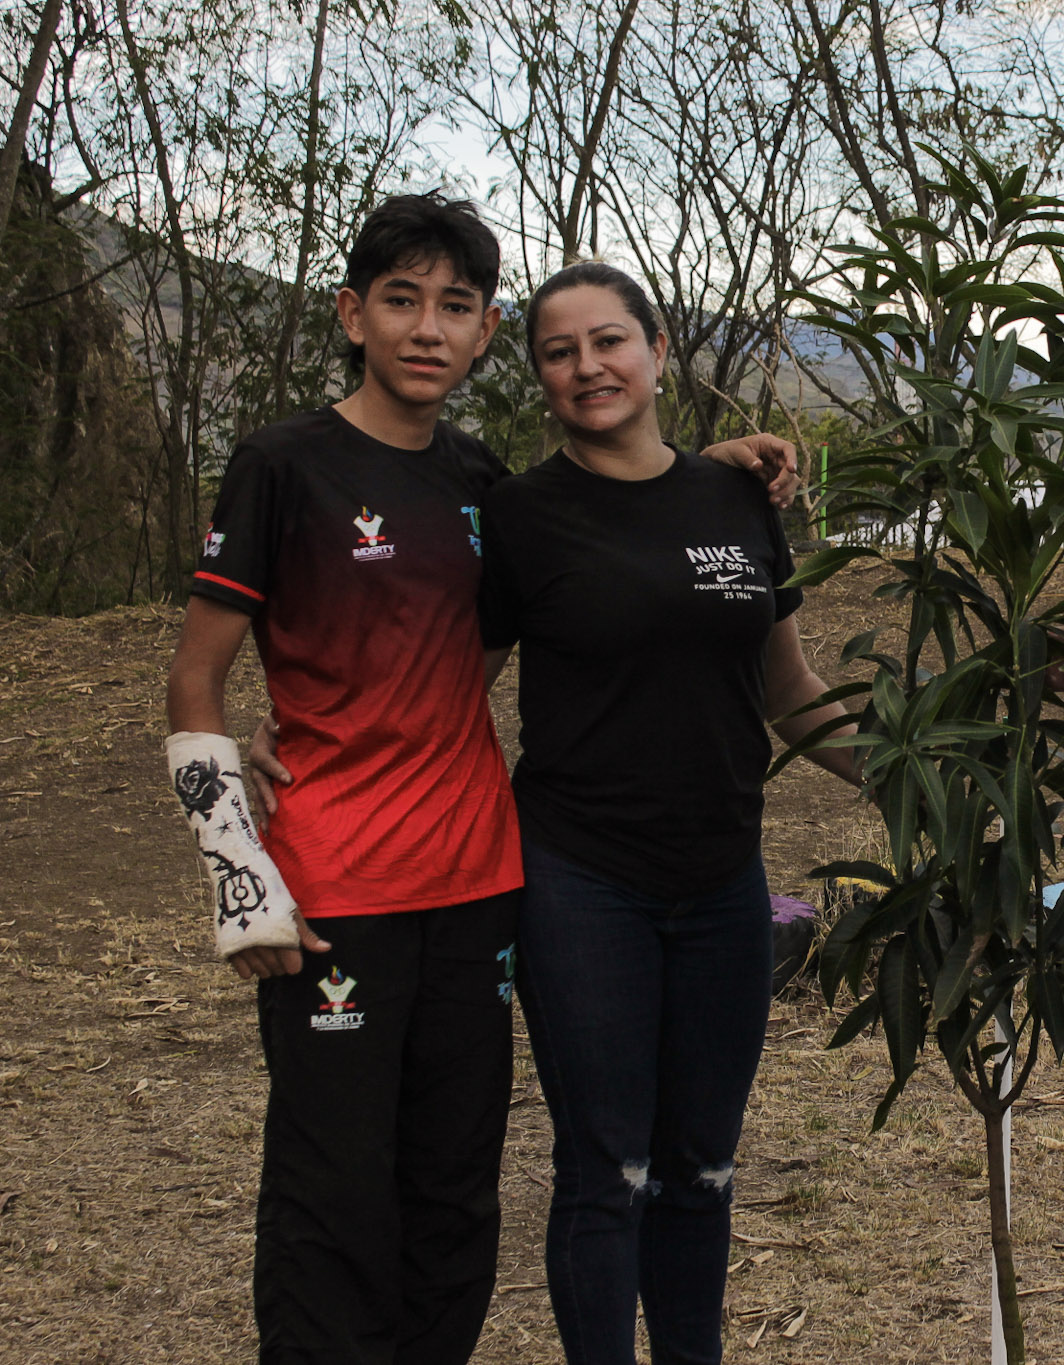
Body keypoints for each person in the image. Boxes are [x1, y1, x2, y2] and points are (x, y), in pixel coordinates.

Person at [165, 193, 798, 1364]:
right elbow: (194, 679)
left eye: (454, 306)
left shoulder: (481, 482)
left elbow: (615, 530)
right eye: (399, 302)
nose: (426, 329)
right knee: (332, 1189)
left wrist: (708, 469)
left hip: (477, 882)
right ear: (353, 316)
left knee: (454, 1189)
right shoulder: (282, 463)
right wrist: (234, 873)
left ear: (483, 332)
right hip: (333, 886)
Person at [474, 261, 860, 1365]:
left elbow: (790, 693)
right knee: (608, 1170)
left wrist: (911, 777)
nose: (587, 366)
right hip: (578, 881)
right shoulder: (519, 514)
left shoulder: (735, 495)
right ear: (540, 372)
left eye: (609, 341)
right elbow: (452, 689)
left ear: (654, 348)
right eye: (559, 351)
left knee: (702, 1166)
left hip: (722, 883)